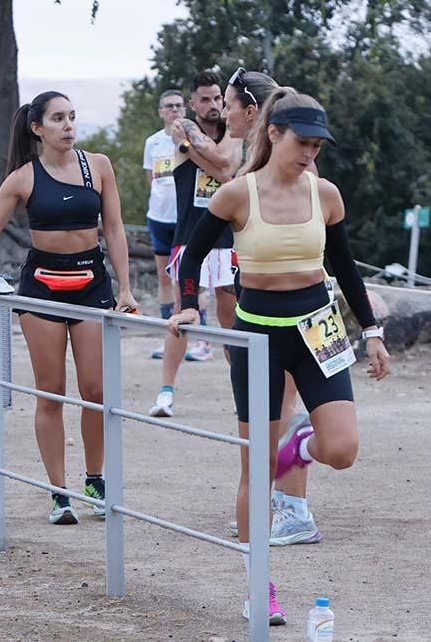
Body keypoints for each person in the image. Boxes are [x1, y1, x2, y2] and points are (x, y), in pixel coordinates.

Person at [168, 87, 390, 624]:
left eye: (318, 145)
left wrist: (374, 331)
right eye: (303, 142)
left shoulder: (327, 194)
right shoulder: (238, 193)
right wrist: (189, 307)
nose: (311, 153)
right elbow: (191, 253)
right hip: (258, 335)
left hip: (319, 329)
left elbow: (346, 268)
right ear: (274, 134)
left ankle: (301, 448)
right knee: (256, 467)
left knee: (342, 449)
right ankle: (258, 585)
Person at [0, 91, 139, 525]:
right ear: (37, 128)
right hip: (41, 290)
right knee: (51, 392)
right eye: (58, 118)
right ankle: (58, 491)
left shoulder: (98, 166)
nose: (68, 125)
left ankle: (95, 479)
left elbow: (113, 229)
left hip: (92, 284)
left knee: (95, 392)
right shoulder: (22, 178)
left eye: (72, 117)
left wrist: (127, 289)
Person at [220, 70, 323, 548]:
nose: (222, 112)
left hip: (308, 311)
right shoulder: (250, 166)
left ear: (252, 114)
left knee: (288, 408)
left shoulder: (300, 171)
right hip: (261, 305)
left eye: (228, 104)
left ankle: (294, 507)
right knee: (278, 410)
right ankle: (282, 507)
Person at [149, 71, 243, 418]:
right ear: (192, 103)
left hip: (226, 236)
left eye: (218, 98)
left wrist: (194, 151)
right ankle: (166, 392)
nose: (214, 104)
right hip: (189, 234)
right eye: (205, 99)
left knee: (230, 314)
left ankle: (241, 389)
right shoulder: (185, 127)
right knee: (182, 314)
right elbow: (221, 168)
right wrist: (202, 153)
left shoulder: (233, 131)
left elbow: (226, 167)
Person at [142, 90, 187, 358]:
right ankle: (167, 335)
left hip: (185, 218)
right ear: (161, 111)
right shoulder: (153, 143)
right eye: (169, 106)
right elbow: (151, 177)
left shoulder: (193, 139)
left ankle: (199, 337)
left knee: (190, 277)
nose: (174, 110)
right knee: (165, 277)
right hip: (159, 216)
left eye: (178, 106)